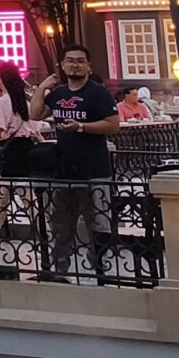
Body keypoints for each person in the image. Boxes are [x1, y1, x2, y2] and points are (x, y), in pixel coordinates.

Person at [38, 46, 118, 277]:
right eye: (70, 61)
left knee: (98, 221)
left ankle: (99, 266)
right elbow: (34, 114)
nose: (75, 65)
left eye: (80, 61)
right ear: (63, 65)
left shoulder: (98, 93)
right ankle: (60, 268)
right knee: (61, 223)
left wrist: (81, 126)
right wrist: (42, 88)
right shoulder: (58, 94)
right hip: (64, 170)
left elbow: (113, 124)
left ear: (88, 66)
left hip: (95, 169)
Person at [0, 66, 40, 177]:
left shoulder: (2, 102)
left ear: (1, 79)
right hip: (28, 147)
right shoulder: (25, 101)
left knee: (12, 182)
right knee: (24, 183)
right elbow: (35, 129)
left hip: (12, 150)